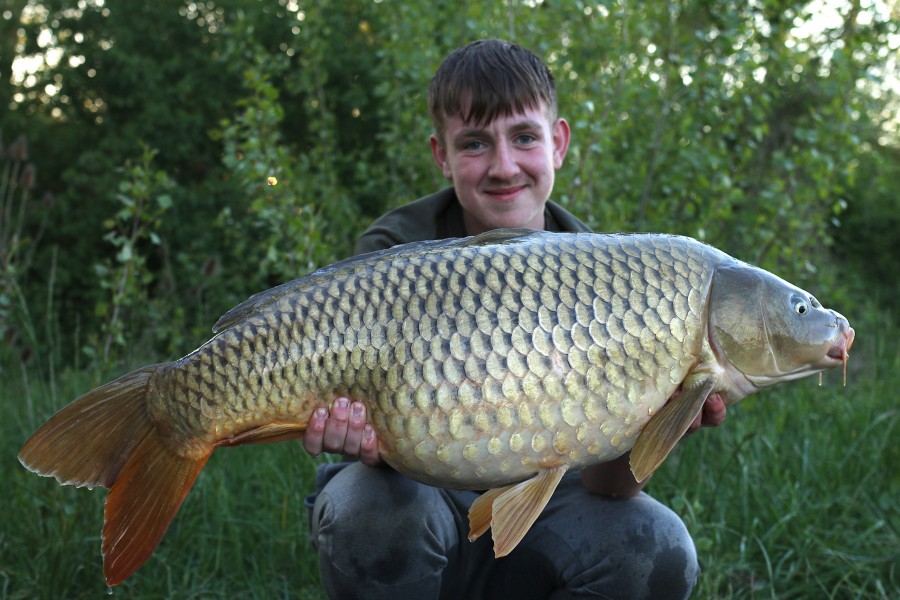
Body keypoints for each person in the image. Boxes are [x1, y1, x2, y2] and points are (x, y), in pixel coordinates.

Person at [303, 39, 727, 599]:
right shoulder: (396, 249)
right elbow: (370, 432)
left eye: (524, 137)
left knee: (658, 546)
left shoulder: (607, 268)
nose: (504, 166)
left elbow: (608, 485)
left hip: (547, 506)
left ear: (558, 143)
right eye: (475, 144)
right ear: (441, 154)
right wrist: (354, 431)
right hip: (414, 494)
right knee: (368, 507)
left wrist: (661, 423)